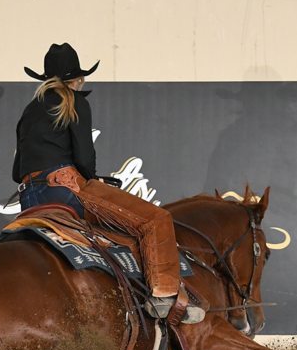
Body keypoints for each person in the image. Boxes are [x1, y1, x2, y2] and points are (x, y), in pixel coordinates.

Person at [12, 43, 204, 324]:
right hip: (67, 190)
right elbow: (84, 157)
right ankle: (163, 297)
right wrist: (91, 178)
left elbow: (18, 171)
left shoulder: (30, 110)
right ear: (77, 80)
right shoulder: (75, 101)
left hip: (29, 198)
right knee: (156, 219)